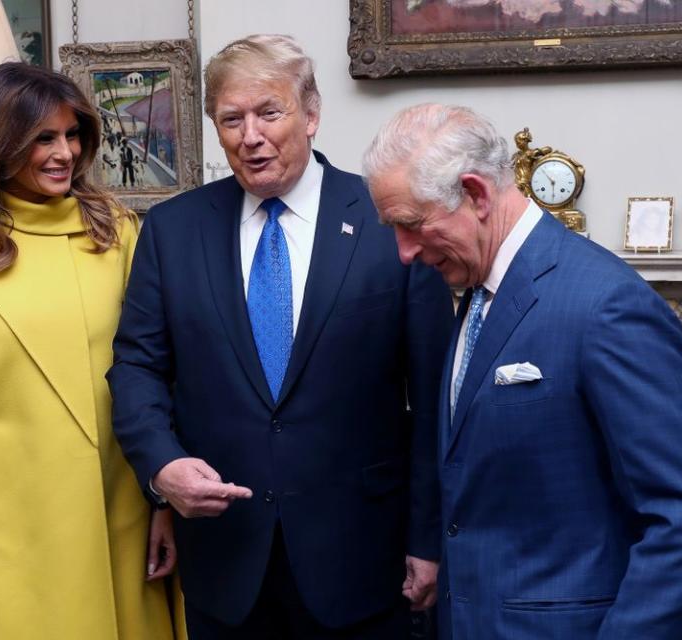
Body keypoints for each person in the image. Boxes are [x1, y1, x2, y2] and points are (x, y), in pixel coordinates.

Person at [108, 35, 453, 638]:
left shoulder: (387, 219)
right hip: (224, 561)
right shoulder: (171, 231)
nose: (251, 136)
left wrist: (428, 538)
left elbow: (434, 399)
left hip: (362, 559)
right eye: (231, 119)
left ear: (312, 114)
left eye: (269, 112)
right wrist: (161, 469)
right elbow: (136, 368)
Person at [362, 103, 682, 639]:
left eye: (410, 224)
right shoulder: (476, 293)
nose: (402, 252)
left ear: (475, 194)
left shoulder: (605, 305)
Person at [0, 62, 185, 640]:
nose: (64, 153)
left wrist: (163, 504)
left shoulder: (118, 231)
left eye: (72, 134)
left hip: (120, 518)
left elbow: (158, 380)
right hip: (11, 536)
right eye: (42, 138)